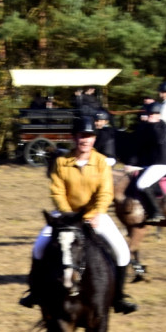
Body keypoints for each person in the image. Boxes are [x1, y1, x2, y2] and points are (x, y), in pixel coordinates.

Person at [20, 115, 137, 315]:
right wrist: (67, 215)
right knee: (39, 247)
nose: (85, 140)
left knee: (122, 251)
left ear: (94, 139)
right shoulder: (61, 162)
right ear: (74, 138)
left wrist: (95, 214)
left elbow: (106, 192)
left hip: (95, 215)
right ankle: (36, 292)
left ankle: (119, 297)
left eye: (89, 136)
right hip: (65, 215)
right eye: (81, 135)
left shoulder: (101, 162)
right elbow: (57, 191)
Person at [132, 102, 166, 223]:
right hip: (149, 163)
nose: (151, 116)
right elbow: (139, 142)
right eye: (149, 114)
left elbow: (159, 140)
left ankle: (156, 212)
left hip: (161, 163)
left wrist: (153, 124)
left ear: (158, 115)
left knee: (141, 185)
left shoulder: (162, 125)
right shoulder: (146, 126)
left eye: (153, 114)